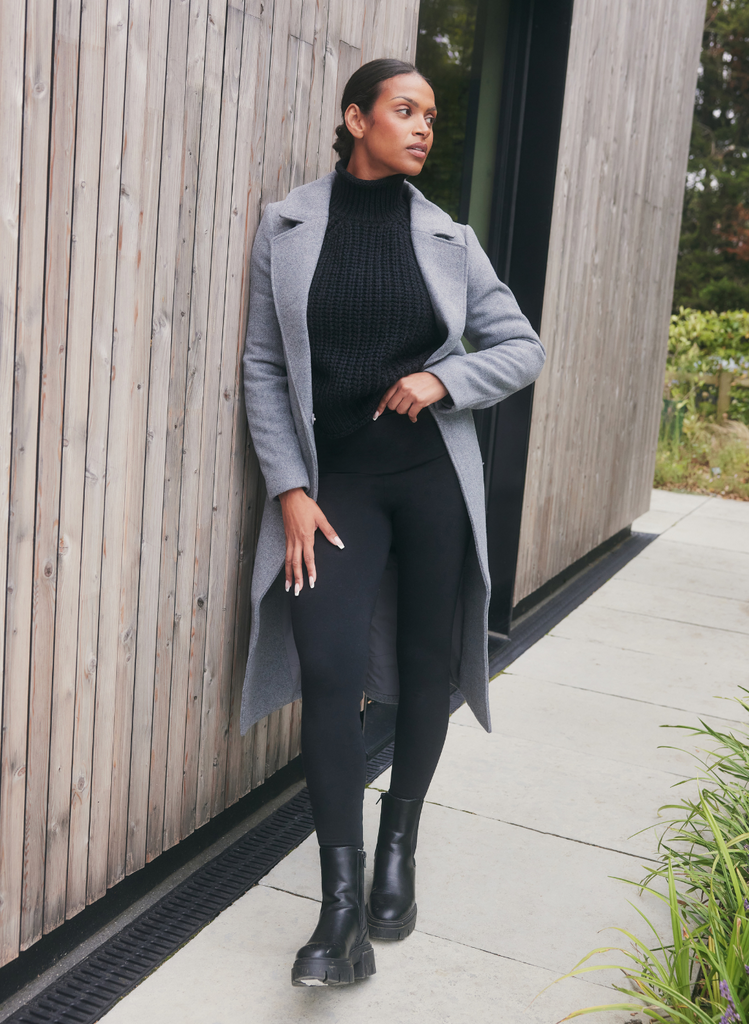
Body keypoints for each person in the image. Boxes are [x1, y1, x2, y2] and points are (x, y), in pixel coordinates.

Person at [240, 58, 545, 987]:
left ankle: (396, 850)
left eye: (432, 116)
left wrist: (444, 378)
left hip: (430, 487)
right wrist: (290, 486)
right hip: (335, 493)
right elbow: (261, 365)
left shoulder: (449, 238)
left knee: (422, 671)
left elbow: (522, 347)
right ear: (355, 117)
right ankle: (337, 914)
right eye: (404, 111)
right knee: (329, 671)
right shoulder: (286, 227)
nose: (422, 128)